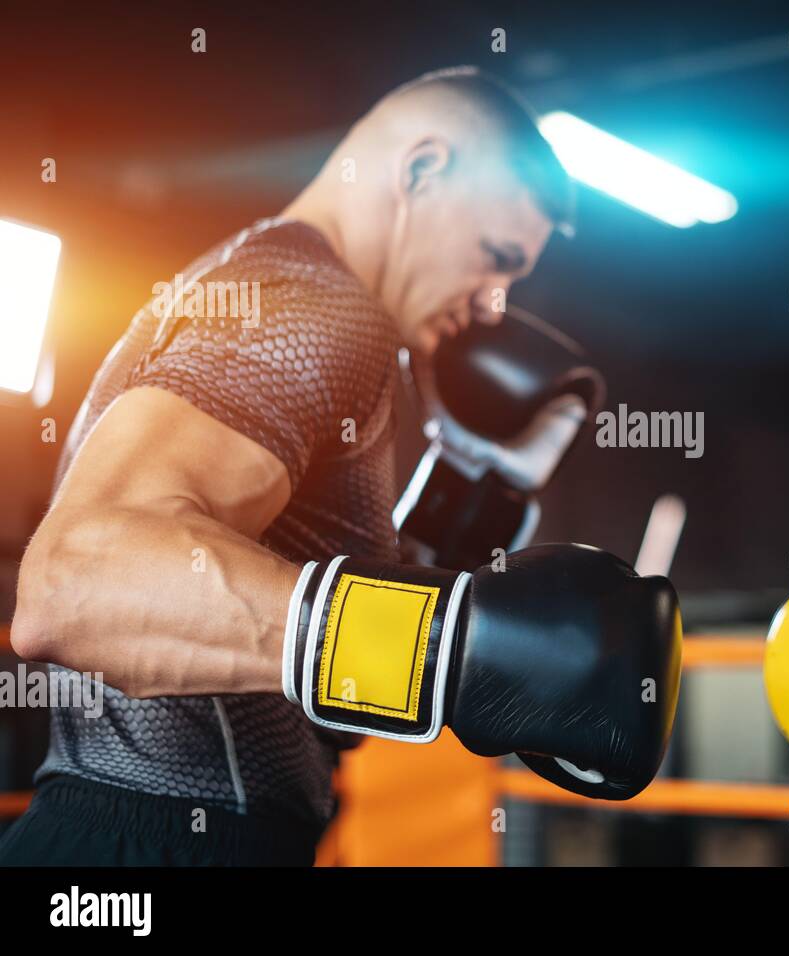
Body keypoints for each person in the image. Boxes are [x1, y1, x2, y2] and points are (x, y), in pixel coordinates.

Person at [0, 67, 679, 866]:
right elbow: (75, 587)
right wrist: (457, 647)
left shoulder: (268, 286)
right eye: (494, 257)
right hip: (157, 845)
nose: (490, 302)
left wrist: (472, 496)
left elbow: (322, 706)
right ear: (421, 170)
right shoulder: (316, 304)